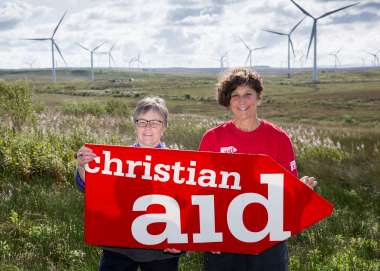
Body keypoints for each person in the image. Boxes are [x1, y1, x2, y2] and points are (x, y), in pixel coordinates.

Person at [198, 68, 317, 271]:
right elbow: (201, 190)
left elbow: (288, 189)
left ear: (259, 98)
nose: (241, 101)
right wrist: (208, 234)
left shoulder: (279, 139)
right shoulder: (213, 138)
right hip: (223, 237)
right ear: (228, 101)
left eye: (247, 94)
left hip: (268, 237)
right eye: (235, 95)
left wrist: (301, 190)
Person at [75, 96, 181, 271]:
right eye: (142, 122)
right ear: (135, 125)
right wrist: (83, 166)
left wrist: (182, 240)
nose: (148, 127)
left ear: (164, 127)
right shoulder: (114, 159)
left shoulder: (180, 164)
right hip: (118, 247)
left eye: (155, 122)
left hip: (162, 249)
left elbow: (188, 207)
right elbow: (87, 187)